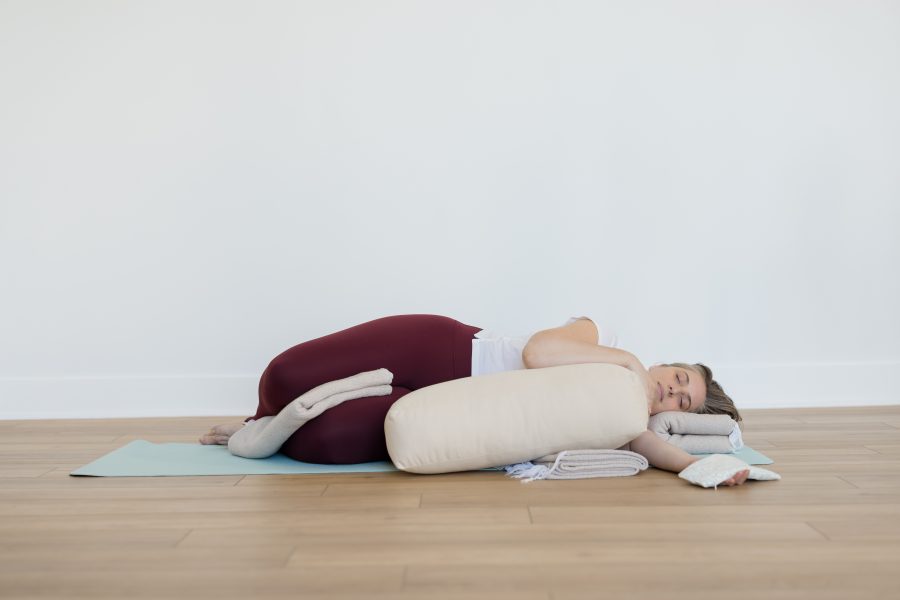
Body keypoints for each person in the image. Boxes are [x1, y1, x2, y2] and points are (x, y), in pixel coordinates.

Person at [200, 313, 750, 486]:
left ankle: (262, 432)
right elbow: (537, 354)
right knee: (287, 375)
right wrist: (625, 362)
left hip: (432, 409)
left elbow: (656, 452)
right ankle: (259, 416)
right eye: (677, 377)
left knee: (323, 442)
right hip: (438, 350)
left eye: (683, 401)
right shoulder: (595, 336)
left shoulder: (622, 417)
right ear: (662, 363)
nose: (671, 391)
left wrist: (708, 467)